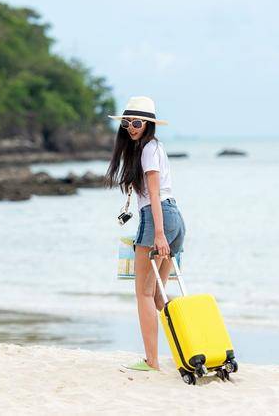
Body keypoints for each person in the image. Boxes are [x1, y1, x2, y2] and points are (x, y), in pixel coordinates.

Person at [105, 96, 186, 371]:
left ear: (149, 124)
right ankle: (186, 349)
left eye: (137, 122)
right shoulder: (154, 148)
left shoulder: (148, 150)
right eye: (127, 122)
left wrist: (159, 234)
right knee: (158, 297)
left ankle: (152, 361)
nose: (131, 127)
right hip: (173, 216)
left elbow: (153, 193)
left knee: (143, 293)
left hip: (158, 218)